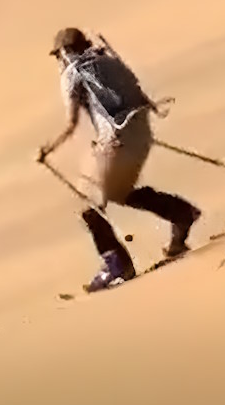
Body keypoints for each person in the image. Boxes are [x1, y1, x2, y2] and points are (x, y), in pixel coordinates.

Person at [37, 27, 201, 292]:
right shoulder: (107, 59)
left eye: (58, 55)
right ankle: (181, 213)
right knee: (119, 191)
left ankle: (115, 264)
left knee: (86, 203)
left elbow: (71, 124)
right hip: (141, 135)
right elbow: (139, 94)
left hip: (115, 141)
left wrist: (47, 150)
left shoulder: (72, 72)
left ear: (65, 52)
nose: (59, 61)